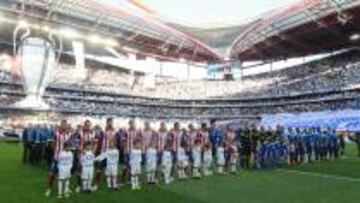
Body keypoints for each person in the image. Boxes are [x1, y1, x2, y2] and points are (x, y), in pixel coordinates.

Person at [45, 120, 71, 198]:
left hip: (65, 159)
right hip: (57, 158)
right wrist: (56, 154)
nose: (64, 126)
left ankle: (66, 188)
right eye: (63, 125)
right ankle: (49, 189)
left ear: (67, 126)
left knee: (66, 174)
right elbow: (53, 144)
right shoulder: (56, 134)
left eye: (65, 125)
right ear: (60, 125)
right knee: (52, 174)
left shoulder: (69, 134)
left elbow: (69, 145)